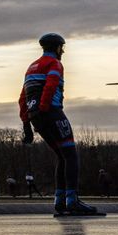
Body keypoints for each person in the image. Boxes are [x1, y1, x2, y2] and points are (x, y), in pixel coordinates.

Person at [19, 33, 99, 215]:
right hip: (51, 113)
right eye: (61, 48)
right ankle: (72, 201)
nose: (62, 51)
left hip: (35, 117)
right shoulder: (55, 64)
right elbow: (51, 85)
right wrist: (46, 108)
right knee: (70, 154)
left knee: (61, 156)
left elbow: (23, 97)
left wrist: (27, 124)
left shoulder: (31, 67)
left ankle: (59, 200)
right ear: (56, 48)